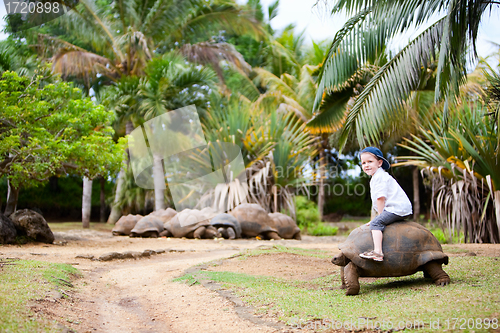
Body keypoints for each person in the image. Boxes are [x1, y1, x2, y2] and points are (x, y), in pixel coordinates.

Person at [358, 147, 412, 262]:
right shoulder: (376, 177)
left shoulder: (380, 177)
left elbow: (380, 198)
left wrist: (379, 217)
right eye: (363, 163)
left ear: (379, 163)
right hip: (397, 208)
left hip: (397, 208)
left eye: (370, 162)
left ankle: (378, 252)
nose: (366, 165)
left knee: (376, 224)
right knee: (376, 222)